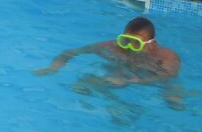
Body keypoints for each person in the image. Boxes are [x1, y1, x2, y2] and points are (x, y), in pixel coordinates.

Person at [35, 17, 182, 88]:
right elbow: (71, 52)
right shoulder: (112, 47)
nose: (129, 47)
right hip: (123, 74)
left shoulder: (167, 56)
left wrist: (141, 82)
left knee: (174, 96)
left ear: (152, 44)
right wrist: (52, 68)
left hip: (149, 77)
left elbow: (169, 76)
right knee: (84, 83)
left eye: (136, 43)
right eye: (126, 40)